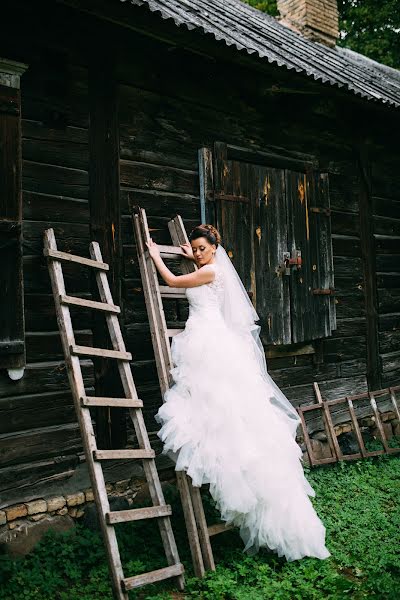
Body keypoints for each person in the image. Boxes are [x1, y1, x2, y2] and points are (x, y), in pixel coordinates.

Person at [146, 224, 330, 561]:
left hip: (210, 342)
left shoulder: (210, 270)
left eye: (202, 248)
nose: (198, 253)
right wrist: (191, 256)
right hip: (206, 338)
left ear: (215, 248)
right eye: (195, 248)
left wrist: (157, 256)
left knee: (224, 406)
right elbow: (200, 272)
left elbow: (172, 282)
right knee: (217, 405)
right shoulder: (209, 268)